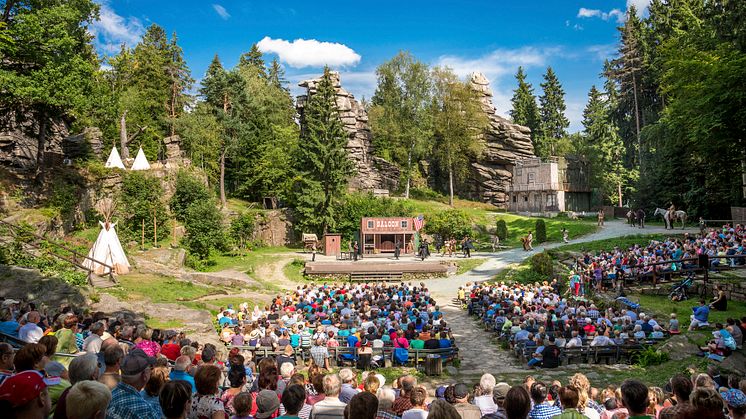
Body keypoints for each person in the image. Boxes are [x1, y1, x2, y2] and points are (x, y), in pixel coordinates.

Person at [107, 348, 160, 419]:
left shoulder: (109, 394)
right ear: (144, 375)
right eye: (150, 368)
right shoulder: (145, 411)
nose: (151, 371)